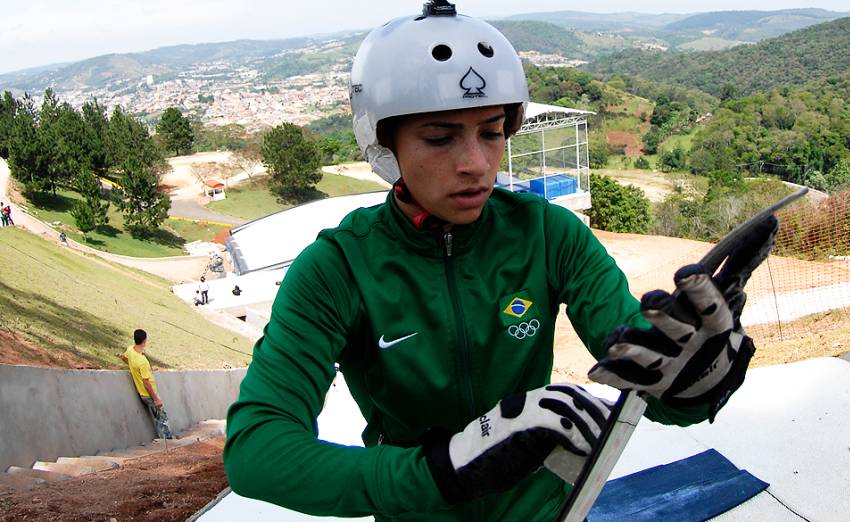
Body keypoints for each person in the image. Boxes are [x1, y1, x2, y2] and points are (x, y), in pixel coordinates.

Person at [224, 3, 775, 520]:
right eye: (440, 138)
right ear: (384, 145)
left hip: (547, 509)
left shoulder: (547, 233)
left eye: (493, 133)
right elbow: (257, 454)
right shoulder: (337, 268)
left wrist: (692, 382)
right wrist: (445, 470)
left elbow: (638, 367)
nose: (476, 164)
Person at [122, 329, 175, 440]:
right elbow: (146, 382)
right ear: (144, 341)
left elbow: (124, 358)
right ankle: (167, 440)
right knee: (161, 415)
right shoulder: (142, 361)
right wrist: (156, 399)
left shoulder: (130, 349)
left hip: (142, 393)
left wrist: (133, 368)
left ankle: (165, 438)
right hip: (148, 394)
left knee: (158, 415)